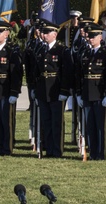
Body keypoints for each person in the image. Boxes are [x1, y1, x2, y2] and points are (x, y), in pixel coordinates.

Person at [32, 23, 72, 158]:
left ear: (55, 34)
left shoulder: (62, 50)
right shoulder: (40, 50)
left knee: (56, 122)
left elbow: (66, 72)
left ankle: (57, 150)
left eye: (48, 32)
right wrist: (35, 89)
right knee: (46, 122)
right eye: (43, 32)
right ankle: (48, 149)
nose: (44, 35)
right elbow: (36, 72)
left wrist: (64, 90)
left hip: (56, 90)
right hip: (43, 90)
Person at [77, 23, 106, 160]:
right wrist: (79, 94)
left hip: (99, 94)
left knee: (100, 126)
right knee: (90, 126)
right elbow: (81, 75)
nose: (90, 39)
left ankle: (101, 153)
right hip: (87, 93)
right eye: (89, 37)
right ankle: (92, 152)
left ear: (100, 36)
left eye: (93, 36)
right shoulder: (85, 53)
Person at [0, 19, 23, 156]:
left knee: (6, 120)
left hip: (6, 90)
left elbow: (16, 72)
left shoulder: (11, 50)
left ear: (6, 33)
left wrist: (14, 91)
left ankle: (7, 148)